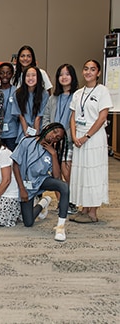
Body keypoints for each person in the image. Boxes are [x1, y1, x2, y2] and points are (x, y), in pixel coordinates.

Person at [69, 60, 112, 223]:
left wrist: (86, 136)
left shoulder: (102, 91)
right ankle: (84, 208)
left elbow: (102, 117)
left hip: (93, 137)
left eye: (92, 69)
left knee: (93, 172)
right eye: (86, 69)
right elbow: (73, 117)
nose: (88, 72)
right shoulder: (78, 93)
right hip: (79, 137)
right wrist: (74, 136)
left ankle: (93, 212)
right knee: (81, 172)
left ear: (98, 73)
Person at [11, 123, 69, 241]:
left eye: (58, 138)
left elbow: (57, 176)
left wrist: (53, 154)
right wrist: (22, 189)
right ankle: (43, 202)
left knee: (64, 187)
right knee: (28, 223)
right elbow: (16, 165)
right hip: (26, 184)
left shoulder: (52, 151)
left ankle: (60, 227)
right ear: (47, 128)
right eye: (54, 132)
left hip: (41, 181)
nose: (54, 137)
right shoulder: (27, 141)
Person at [43, 64, 78, 215]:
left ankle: (70, 201)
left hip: (68, 142)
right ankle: (61, 202)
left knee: (67, 172)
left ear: (73, 77)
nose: (64, 77)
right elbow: (45, 117)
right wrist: (49, 134)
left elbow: (77, 120)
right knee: (55, 174)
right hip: (52, 142)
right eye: (61, 74)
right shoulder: (53, 98)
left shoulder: (77, 96)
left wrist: (63, 136)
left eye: (67, 74)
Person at [12, 66, 48, 144]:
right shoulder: (17, 94)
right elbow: (21, 116)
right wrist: (26, 133)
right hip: (23, 130)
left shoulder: (44, 94)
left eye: (33, 75)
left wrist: (36, 135)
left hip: (39, 130)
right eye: (27, 75)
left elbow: (39, 117)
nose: (30, 78)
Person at [0, 62, 19, 150]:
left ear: (12, 74)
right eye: (2, 73)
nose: (5, 75)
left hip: (12, 133)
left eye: (8, 73)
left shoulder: (16, 92)